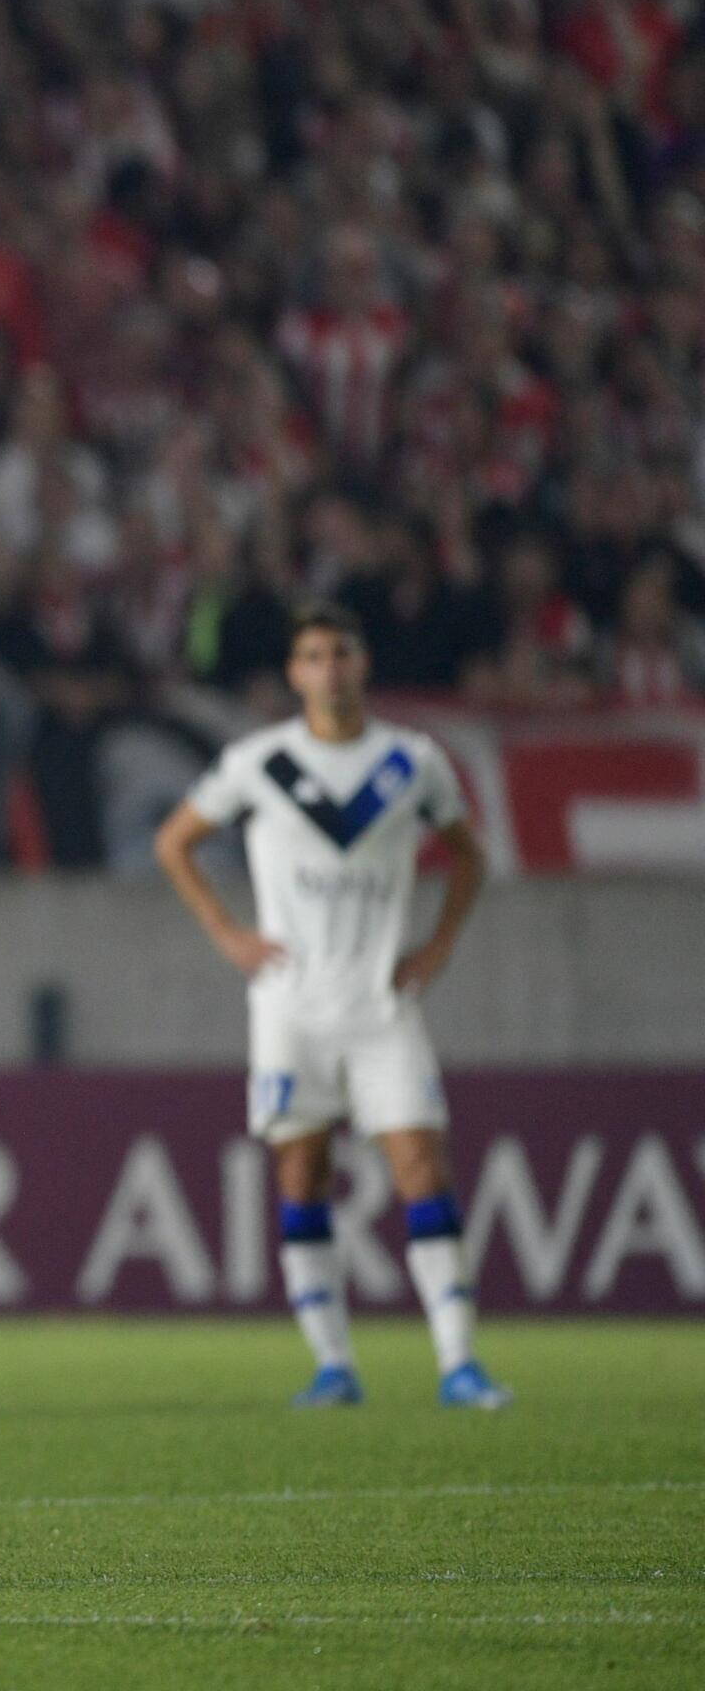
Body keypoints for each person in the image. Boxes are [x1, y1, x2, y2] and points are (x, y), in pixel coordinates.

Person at [154, 603, 510, 1410]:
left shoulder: (412, 762)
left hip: (382, 1002)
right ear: (295, 673)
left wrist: (439, 944)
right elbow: (174, 841)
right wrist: (227, 932)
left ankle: (459, 1361)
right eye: (313, 655)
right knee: (302, 1174)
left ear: (362, 664)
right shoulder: (260, 761)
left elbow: (468, 856)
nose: (329, 668)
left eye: (341, 652)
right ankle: (333, 1364)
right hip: (290, 1007)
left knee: (423, 1167)